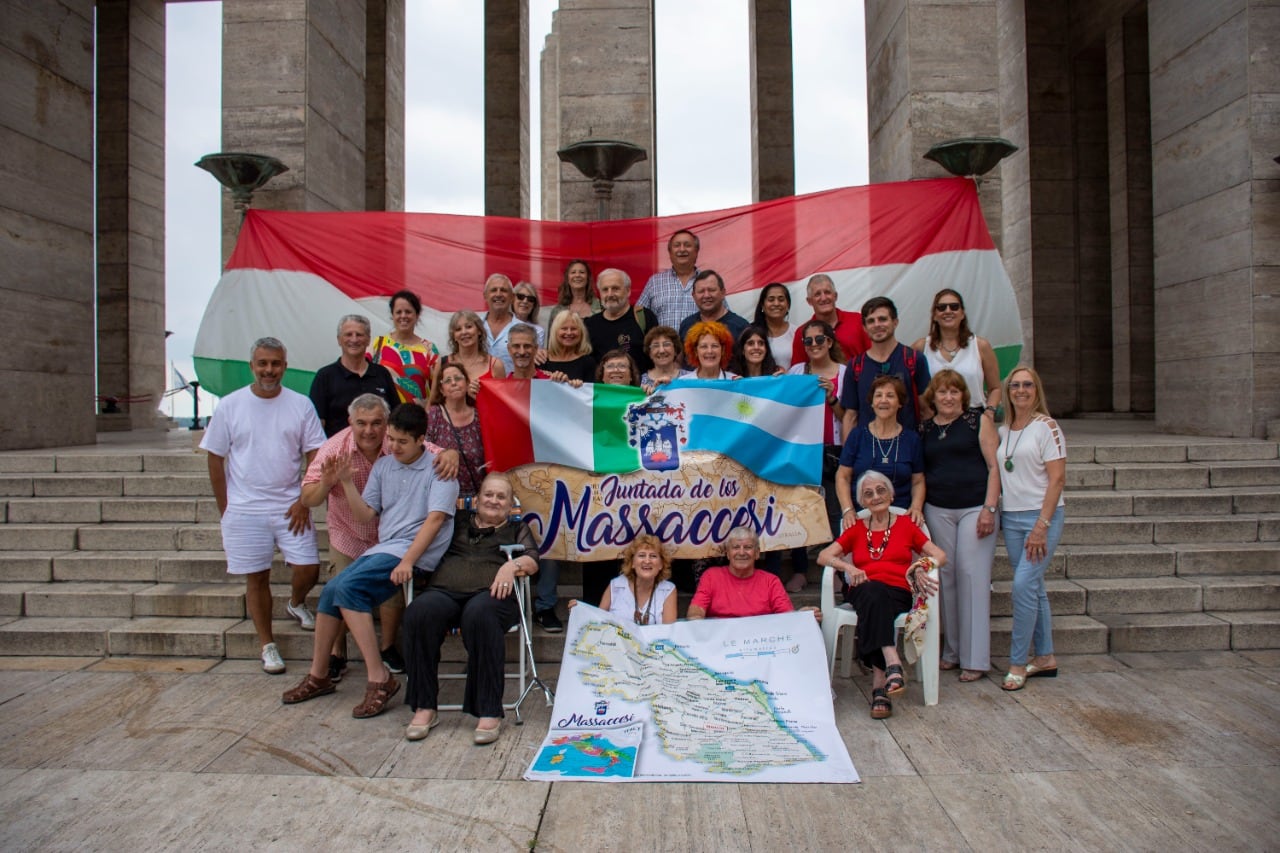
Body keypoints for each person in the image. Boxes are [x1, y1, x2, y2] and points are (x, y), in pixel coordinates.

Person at [282, 403, 458, 718]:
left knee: (348, 590)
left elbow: (434, 521)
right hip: (384, 548)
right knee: (331, 592)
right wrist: (347, 483)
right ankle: (319, 675)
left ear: (421, 440)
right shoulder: (384, 466)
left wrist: (408, 562)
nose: (392, 446)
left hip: (412, 552)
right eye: (390, 439)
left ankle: (379, 678)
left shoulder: (439, 468)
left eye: (402, 441)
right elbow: (365, 514)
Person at [202, 337, 326, 675]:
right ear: (252, 366)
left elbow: (316, 453)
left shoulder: (300, 405)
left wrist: (304, 499)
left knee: (309, 568)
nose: (269, 370)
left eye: (275, 363)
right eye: (263, 363)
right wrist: (226, 507)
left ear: (285, 366)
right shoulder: (230, 405)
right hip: (246, 509)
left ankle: (296, 603)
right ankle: (267, 646)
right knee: (257, 579)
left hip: (289, 505)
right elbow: (215, 458)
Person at [402, 472, 539, 744]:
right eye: (488, 494)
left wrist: (511, 566)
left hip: (491, 597)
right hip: (445, 592)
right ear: (476, 499)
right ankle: (424, 706)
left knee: (480, 614)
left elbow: (533, 561)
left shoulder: (516, 528)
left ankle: (488, 710)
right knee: (419, 612)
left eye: (501, 497)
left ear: (510, 504)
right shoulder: (456, 523)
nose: (494, 501)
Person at [817, 470, 945, 720]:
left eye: (880, 490)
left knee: (878, 599)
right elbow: (824, 556)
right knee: (872, 591)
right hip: (862, 589)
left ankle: (880, 680)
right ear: (862, 502)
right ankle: (890, 665)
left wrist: (921, 566)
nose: (875, 497)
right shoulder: (855, 529)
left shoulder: (907, 525)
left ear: (892, 494)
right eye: (868, 494)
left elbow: (939, 555)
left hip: (898, 592)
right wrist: (848, 567)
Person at [920, 369, 1000, 682]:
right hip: (938, 509)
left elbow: (994, 467)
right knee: (946, 578)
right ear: (934, 397)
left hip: (974, 509)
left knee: (973, 576)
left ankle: (976, 658)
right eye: (942, 392)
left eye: (954, 392)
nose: (949, 397)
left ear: (963, 395)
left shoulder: (978, 422)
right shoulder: (925, 428)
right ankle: (952, 651)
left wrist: (989, 508)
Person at [998, 366, 1065, 692]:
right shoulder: (1005, 429)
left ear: (1036, 390)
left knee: (1023, 586)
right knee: (1034, 587)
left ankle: (1017, 662)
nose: (1020, 390)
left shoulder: (1047, 427)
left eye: (1027, 385)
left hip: (1041, 518)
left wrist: (1042, 525)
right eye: (1015, 385)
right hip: (1011, 518)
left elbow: (1057, 479)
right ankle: (1046, 656)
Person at [783, 319, 848, 590]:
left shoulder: (845, 373)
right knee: (799, 510)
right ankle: (800, 570)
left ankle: (838, 571)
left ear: (829, 342)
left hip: (834, 450)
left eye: (819, 340)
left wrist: (832, 398)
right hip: (802, 451)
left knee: (835, 511)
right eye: (807, 341)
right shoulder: (796, 372)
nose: (813, 346)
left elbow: (849, 417)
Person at [836, 375, 925, 529]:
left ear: (900, 403)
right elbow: (843, 476)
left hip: (900, 516)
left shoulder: (912, 439)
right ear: (872, 403)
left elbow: (918, 480)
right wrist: (847, 510)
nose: (883, 400)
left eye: (890, 396)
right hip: (861, 516)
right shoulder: (857, 436)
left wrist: (916, 507)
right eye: (878, 396)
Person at [838, 296, 931, 437]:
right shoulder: (856, 365)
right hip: (867, 451)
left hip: (906, 450)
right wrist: (846, 457)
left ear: (895, 322)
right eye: (871, 321)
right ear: (864, 327)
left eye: (882, 319)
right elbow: (851, 415)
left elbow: (927, 410)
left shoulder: (914, 359)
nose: (877, 325)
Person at [687, 527, 821, 620]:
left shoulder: (770, 581)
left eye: (748, 547)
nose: (741, 552)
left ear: (757, 553)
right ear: (727, 554)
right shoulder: (711, 576)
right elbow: (696, 610)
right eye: (735, 547)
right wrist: (696, 618)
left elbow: (787, 616)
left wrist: (802, 616)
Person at [912, 289, 1002, 418]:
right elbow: (911, 387)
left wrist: (989, 412)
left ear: (962, 313)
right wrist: (925, 411)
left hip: (974, 418)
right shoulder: (920, 347)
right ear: (935, 315)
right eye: (941, 308)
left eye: (954, 307)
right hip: (935, 420)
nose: (948, 311)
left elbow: (995, 388)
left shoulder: (981, 346)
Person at [308, 315, 398, 437]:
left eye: (359, 335)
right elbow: (317, 425)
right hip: (338, 454)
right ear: (339, 339)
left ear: (368, 340)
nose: (354, 340)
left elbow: (395, 418)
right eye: (348, 334)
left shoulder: (382, 374)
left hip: (379, 453)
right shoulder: (325, 376)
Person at [569, 534, 678, 625]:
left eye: (653, 556)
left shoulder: (668, 590)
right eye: (641, 555)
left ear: (661, 565)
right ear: (632, 563)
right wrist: (580, 612)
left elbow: (667, 632)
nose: (647, 561)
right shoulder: (616, 585)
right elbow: (598, 621)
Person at [426, 362, 487, 499]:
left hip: (476, 497)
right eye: (447, 380)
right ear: (441, 389)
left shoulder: (479, 416)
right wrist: (445, 453)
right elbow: (422, 448)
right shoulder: (434, 414)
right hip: (442, 497)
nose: (454, 383)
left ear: (466, 383)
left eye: (458, 378)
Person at [370, 290, 440, 406]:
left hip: (418, 419)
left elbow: (436, 390)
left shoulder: (430, 350)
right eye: (398, 312)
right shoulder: (378, 344)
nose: (403, 316)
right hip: (384, 419)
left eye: (408, 312)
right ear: (392, 315)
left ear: (417, 315)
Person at [584, 268, 659, 374]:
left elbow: (658, 356)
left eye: (615, 288)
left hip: (640, 389)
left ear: (628, 291)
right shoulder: (590, 325)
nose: (610, 294)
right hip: (603, 389)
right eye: (605, 289)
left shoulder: (645, 317)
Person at [789, 273, 871, 368]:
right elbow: (798, 371)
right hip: (820, 383)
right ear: (809, 301)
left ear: (835, 296)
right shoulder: (802, 333)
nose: (823, 298)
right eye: (817, 294)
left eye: (827, 292)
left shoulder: (858, 321)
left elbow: (873, 357)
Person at [636, 229, 700, 328]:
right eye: (677, 245)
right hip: (663, 343)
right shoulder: (655, 282)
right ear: (670, 252)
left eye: (687, 245)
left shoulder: (708, 281)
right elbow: (638, 315)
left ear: (696, 251)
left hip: (698, 343)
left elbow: (722, 314)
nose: (682, 249)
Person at [438, 309, 506, 398]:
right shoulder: (443, 363)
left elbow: (502, 402)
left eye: (469, 327)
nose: (464, 332)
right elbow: (434, 400)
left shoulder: (496, 365)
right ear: (454, 336)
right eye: (458, 329)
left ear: (479, 331)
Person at [676, 270, 750, 348]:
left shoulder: (741, 327)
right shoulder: (687, 325)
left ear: (723, 293)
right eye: (701, 291)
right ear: (694, 296)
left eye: (711, 290)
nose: (706, 295)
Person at [480, 274, 529, 375]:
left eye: (503, 290)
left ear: (512, 297)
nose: (498, 294)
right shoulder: (475, 327)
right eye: (493, 290)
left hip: (512, 389)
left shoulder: (525, 330)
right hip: (479, 389)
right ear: (485, 295)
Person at [544, 310, 597, 382]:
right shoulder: (542, 359)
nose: (569, 333)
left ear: (581, 333)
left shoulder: (588, 362)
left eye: (573, 329)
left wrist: (571, 384)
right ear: (555, 332)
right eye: (564, 328)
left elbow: (589, 391)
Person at [753, 282, 797, 369]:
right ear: (762, 305)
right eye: (771, 299)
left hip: (789, 381)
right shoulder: (752, 332)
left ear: (788, 305)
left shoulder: (797, 332)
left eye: (781, 299)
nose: (776, 304)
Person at [547, 259, 600, 326]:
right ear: (567, 278)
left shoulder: (601, 307)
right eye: (573, 272)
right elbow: (552, 336)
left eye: (582, 272)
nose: (577, 275)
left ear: (588, 278)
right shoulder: (557, 311)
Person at [639, 325, 689, 392]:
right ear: (650, 353)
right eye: (656, 346)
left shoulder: (689, 377)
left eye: (666, 344)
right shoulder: (639, 381)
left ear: (675, 350)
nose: (661, 350)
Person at [511, 280, 547, 350]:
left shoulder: (539, 331)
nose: (525, 301)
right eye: (520, 297)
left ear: (534, 305)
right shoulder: (502, 325)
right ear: (512, 299)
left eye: (530, 299)